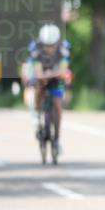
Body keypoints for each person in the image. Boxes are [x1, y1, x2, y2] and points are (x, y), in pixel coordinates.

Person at [30, 23, 70, 155]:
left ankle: (57, 139)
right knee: (38, 89)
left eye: (52, 45)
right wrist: (43, 76)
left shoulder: (63, 48)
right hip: (42, 76)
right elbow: (39, 72)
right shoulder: (36, 49)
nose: (49, 48)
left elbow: (63, 71)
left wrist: (54, 75)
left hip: (56, 77)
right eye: (46, 45)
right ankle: (37, 114)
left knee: (58, 105)